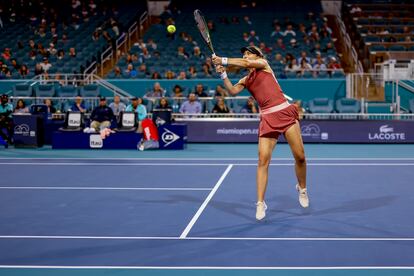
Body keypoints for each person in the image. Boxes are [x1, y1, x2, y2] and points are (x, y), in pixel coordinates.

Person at [213, 45, 309, 221]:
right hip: (267, 118)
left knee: (300, 156)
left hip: (284, 112)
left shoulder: (264, 64)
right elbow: (233, 91)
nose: (246, 56)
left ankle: (302, 188)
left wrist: (224, 60)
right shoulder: (246, 78)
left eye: (249, 53)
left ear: (257, 56)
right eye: (244, 54)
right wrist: (223, 74)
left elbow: (243, 62)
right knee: (263, 160)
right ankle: (260, 203)